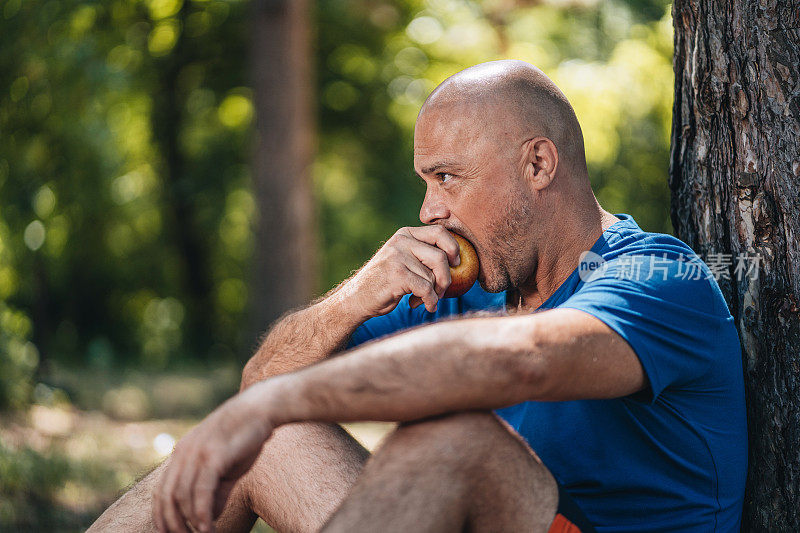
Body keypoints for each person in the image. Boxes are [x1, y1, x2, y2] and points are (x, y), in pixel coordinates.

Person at [88, 60, 747, 533]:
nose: (430, 209)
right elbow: (260, 382)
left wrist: (276, 400)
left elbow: (526, 360)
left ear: (538, 165)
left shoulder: (661, 276)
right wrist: (357, 294)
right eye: (425, 181)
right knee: (271, 432)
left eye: (447, 177)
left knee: (457, 440)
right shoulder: (470, 288)